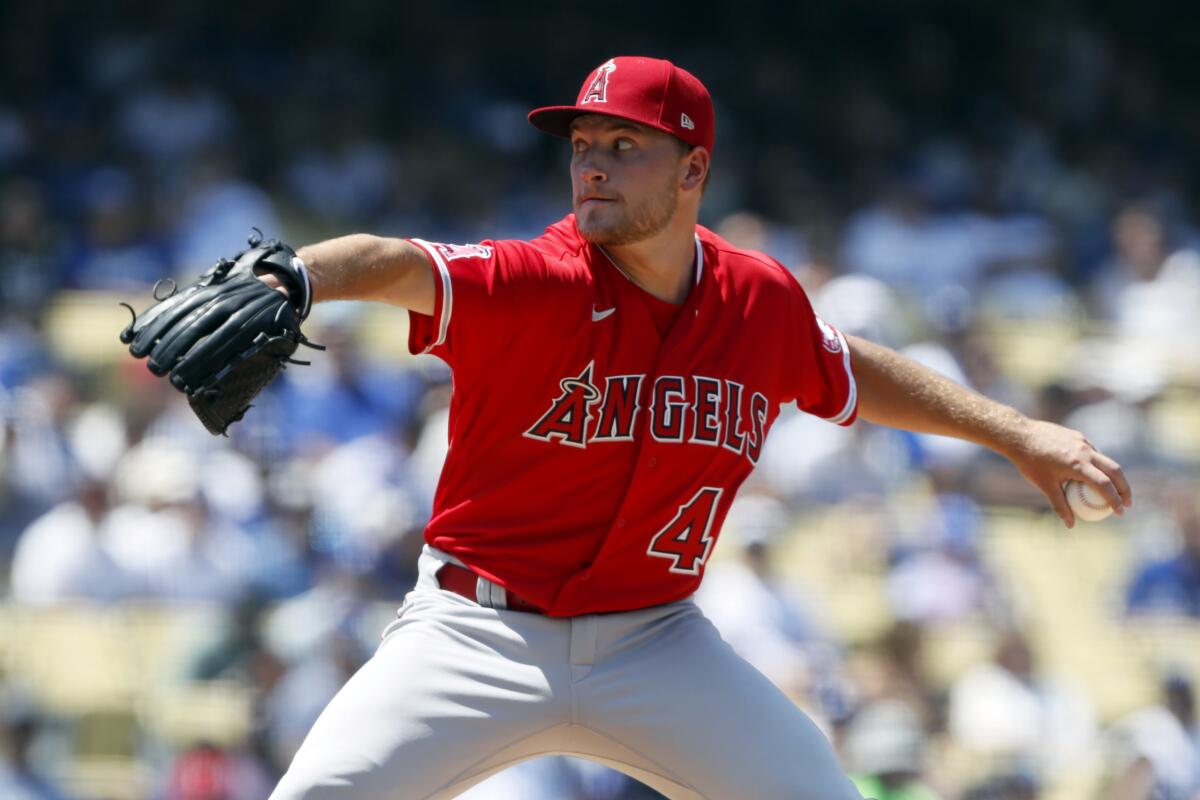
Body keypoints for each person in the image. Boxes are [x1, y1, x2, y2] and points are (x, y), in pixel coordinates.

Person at [261, 56, 1131, 799]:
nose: (591, 167)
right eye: (581, 146)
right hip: (478, 631)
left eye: (623, 146)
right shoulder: (539, 280)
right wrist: (295, 277)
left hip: (656, 641)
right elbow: (397, 262)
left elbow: (847, 369)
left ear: (692, 170)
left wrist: (1018, 433)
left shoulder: (757, 300)